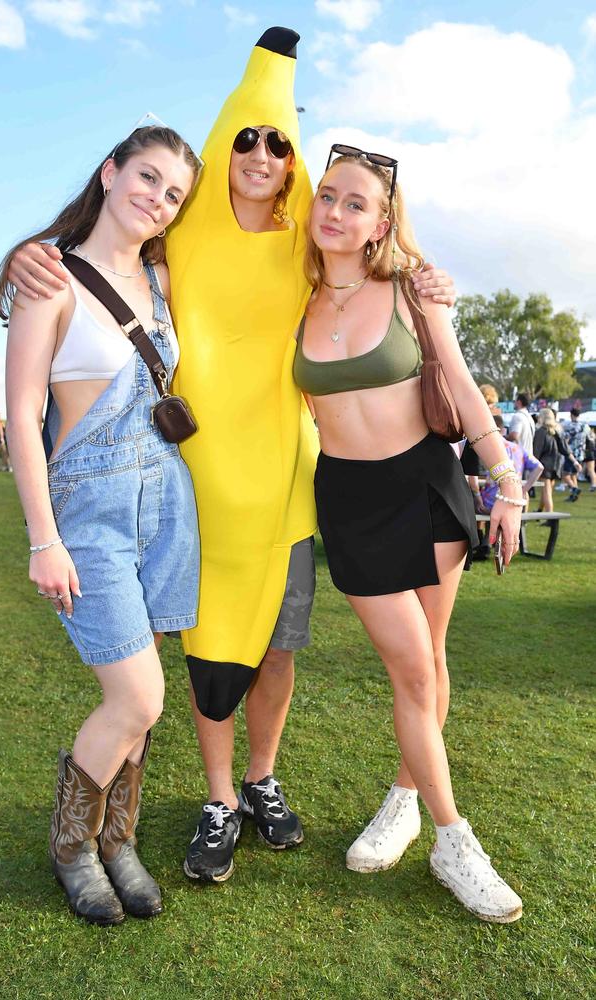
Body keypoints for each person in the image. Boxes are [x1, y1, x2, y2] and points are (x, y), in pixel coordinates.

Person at [6, 28, 459, 886]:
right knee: (212, 652)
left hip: (288, 487)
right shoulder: (178, 245)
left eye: (277, 142)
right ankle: (217, 798)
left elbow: (374, 251)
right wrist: (39, 253)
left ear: (294, 165)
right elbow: (98, 265)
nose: (259, 152)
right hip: (195, 491)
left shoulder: (303, 243)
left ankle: (260, 781)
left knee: (278, 647)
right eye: (244, 137)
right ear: (222, 149)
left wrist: (430, 279)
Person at [293, 148, 525, 923]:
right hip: (351, 498)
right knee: (414, 667)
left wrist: (507, 480)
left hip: (426, 485)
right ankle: (451, 834)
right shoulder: (289, 295)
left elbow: (457, 382)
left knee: (428, 662)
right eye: (328, 195)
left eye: (356, 203)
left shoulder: (410, 292)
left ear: (381, 222)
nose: (335, 211)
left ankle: (412, 806)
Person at [0, 122, 202, 925]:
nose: (158, 199)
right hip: (88, 509)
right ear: (111, 172)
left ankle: (119, 838)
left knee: (143, 693)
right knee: (138, 697)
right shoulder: (50, 278)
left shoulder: (160, 277)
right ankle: (74, 847)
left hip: (165, 505)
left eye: (174, 193)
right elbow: (21, 414)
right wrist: (42, 538)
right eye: (147, 177)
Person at [480, 415, 542, 510]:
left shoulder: (485, 448)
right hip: (513, 499)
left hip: (491, 501)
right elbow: (539, 467)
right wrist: (523, 490)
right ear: (502, 429)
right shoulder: (518, 448)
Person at [533, 408, 577, 513]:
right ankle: (540, 510)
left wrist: (533, 466)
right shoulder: (557, 430)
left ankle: (550, 517)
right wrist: (575, 461)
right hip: (556, 465)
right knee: (547, 491)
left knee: (547, 491)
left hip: (545, 465)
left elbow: (536, 451)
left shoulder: (541, 432)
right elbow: (564, 448)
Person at [561, 407, 588, 502]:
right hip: (581, 453)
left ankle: (574, 488)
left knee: (565, 475)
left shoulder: (569, 426)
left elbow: (565, 438)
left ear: (571, 414)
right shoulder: (585, 426)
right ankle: (574, 495)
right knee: (574, 475)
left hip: (571, 453)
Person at [508, 392, 535, 457]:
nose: (513, 403)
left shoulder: (517, 416)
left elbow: (514, 436)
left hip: (519, 457)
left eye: (515, 401)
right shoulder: (529, 417)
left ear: (519, 402)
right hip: (529, 456)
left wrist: (503, 438)